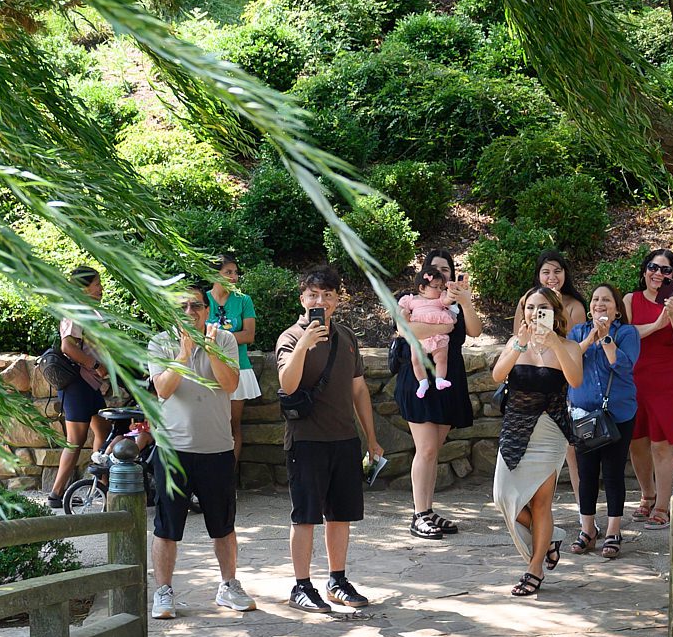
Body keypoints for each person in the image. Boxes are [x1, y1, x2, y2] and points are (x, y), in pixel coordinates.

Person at [276, 265, 383, 612]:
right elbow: (287, 385)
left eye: (327, 295)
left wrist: (371, 437)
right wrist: (305, 344)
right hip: (306, 441)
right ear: (302, 299)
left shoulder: (347, 337)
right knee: (305, 516)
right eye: (313, 295)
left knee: (340, 515)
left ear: (337, 300)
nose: (319, 301)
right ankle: (301, 586)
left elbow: (359, 390)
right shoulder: (290, 337)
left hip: (344, 439)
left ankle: (337, 579)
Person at [148, 283, 254, 618]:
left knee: (223, 525)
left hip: (217, 448)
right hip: (173, 449)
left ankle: (228, 585)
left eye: (196, 306)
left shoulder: (223, 340)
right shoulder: (159, 343)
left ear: (207, 310)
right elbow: (163, 389)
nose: (190, 313)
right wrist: (183, 353)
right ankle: (163, 593)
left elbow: (230, 384)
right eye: (182, 308)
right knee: (167, 527)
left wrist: (208, 349)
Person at [492, 287, 584, 596]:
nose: (534, 312)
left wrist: (555, 344)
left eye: (541, 307)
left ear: (555, 312)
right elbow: (497, 375)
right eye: (529, 307)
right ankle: (550, 537)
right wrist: (519, 344)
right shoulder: (515, 342)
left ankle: (535, 568)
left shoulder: (568, 346)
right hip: (515, 427)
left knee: (541, 503)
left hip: (550, 432)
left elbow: (575, 380)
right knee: (502, 496)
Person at [394, 249, 482, 540]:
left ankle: (428, 510)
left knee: (434, 450)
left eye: (447, 269)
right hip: (419, 376)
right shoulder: (413, 300)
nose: (441, 274)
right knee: (427, 449)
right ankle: (419, 515)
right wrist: (444, 324)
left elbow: (475, 331)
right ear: (425, 273)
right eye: (435, 268)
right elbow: (407, 329)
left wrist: (466, 301)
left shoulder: (454, 304)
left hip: (448, 378)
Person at [623, 249, 673, 531]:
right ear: (644, 270)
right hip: (634, 376)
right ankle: (647, 494)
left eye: (666, 270)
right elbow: (625, 335)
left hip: (668, 378)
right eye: (653, 267)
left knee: (661, 444)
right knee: (636, 440)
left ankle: (663, 505)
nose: (658, 274)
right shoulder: (631, 300)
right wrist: (655, 324)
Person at [568, 284, 640, 559]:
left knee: (612, 473)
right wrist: (590, 338)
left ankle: (613, 530)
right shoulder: (577, 332)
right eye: (596, 300)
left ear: (617, 308)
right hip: (584, 414)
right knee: (586, 473)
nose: (600, 304)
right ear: (590, 307)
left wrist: (607, 336)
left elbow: (622, 365)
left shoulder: (627, 333)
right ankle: (587, 530)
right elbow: (572, 358)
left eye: (606, 300)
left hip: (618, 414)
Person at [512, 250, 588, 504]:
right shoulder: (526, 301)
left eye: (557, 271)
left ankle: (584, 517)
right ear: (538, 275)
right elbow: (517, 342)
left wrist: (556, 312)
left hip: (564, 385)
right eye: (546, 271)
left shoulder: (575, 306)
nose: (552, 276)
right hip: (531, 390)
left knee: (572, 455)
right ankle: (537, 514)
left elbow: (575, 345)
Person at [49, 265, 111, 509]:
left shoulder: (92, 312)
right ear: (84, 288)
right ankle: (56, 494)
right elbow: (68, 347)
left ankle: (101, 486)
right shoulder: (74, 312)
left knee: (104, 432)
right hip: (78, 385)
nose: (101, 288)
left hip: (90, 385)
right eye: (97, 284)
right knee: (75, 440)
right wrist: (96, 365)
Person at [206, 254, 260, 467]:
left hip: (239, 367)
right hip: (207, 369)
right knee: (209, 424)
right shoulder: (202, 300)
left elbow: (249, 335)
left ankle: (228, 475)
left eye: (236, 272)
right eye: (228, 272)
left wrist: (216, 338)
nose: (234, 277)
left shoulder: (244, 300)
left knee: (231, 424)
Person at [398, 266, 458, 398]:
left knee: (441, 358)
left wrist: (450, 290)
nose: (439, 290)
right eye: (435, 287)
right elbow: (401, 317)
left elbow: (448, 299)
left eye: (441, 287)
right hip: (420, 339)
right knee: (417, 360)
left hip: (438, 336)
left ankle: (440, 379)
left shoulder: (440, 299)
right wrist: (404, 314)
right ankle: (422, 382)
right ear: (422, 288)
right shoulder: (411, 300)